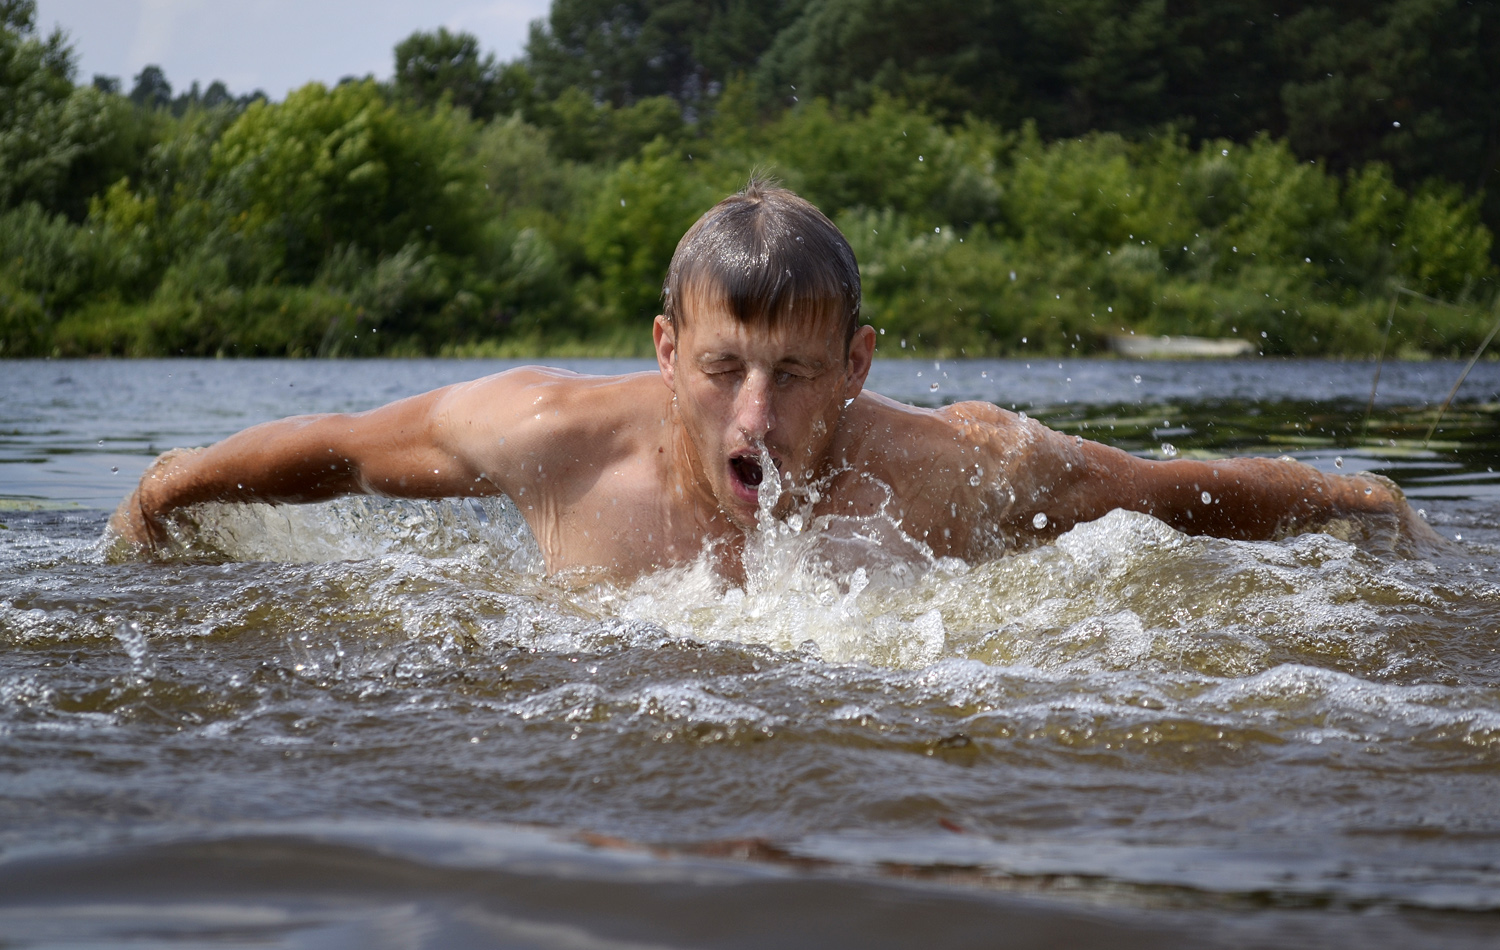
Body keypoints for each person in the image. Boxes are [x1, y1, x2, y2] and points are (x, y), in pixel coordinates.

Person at [108, 181, 1435, 581]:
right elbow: (339, 446)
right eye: (727, 368)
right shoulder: (549, 434)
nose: (761, 417)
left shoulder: (958, 461)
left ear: (859, 361)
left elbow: (1168, 490)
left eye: (798, 375)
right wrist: (167, 492)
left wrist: (1358, 501)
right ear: (666, 353)